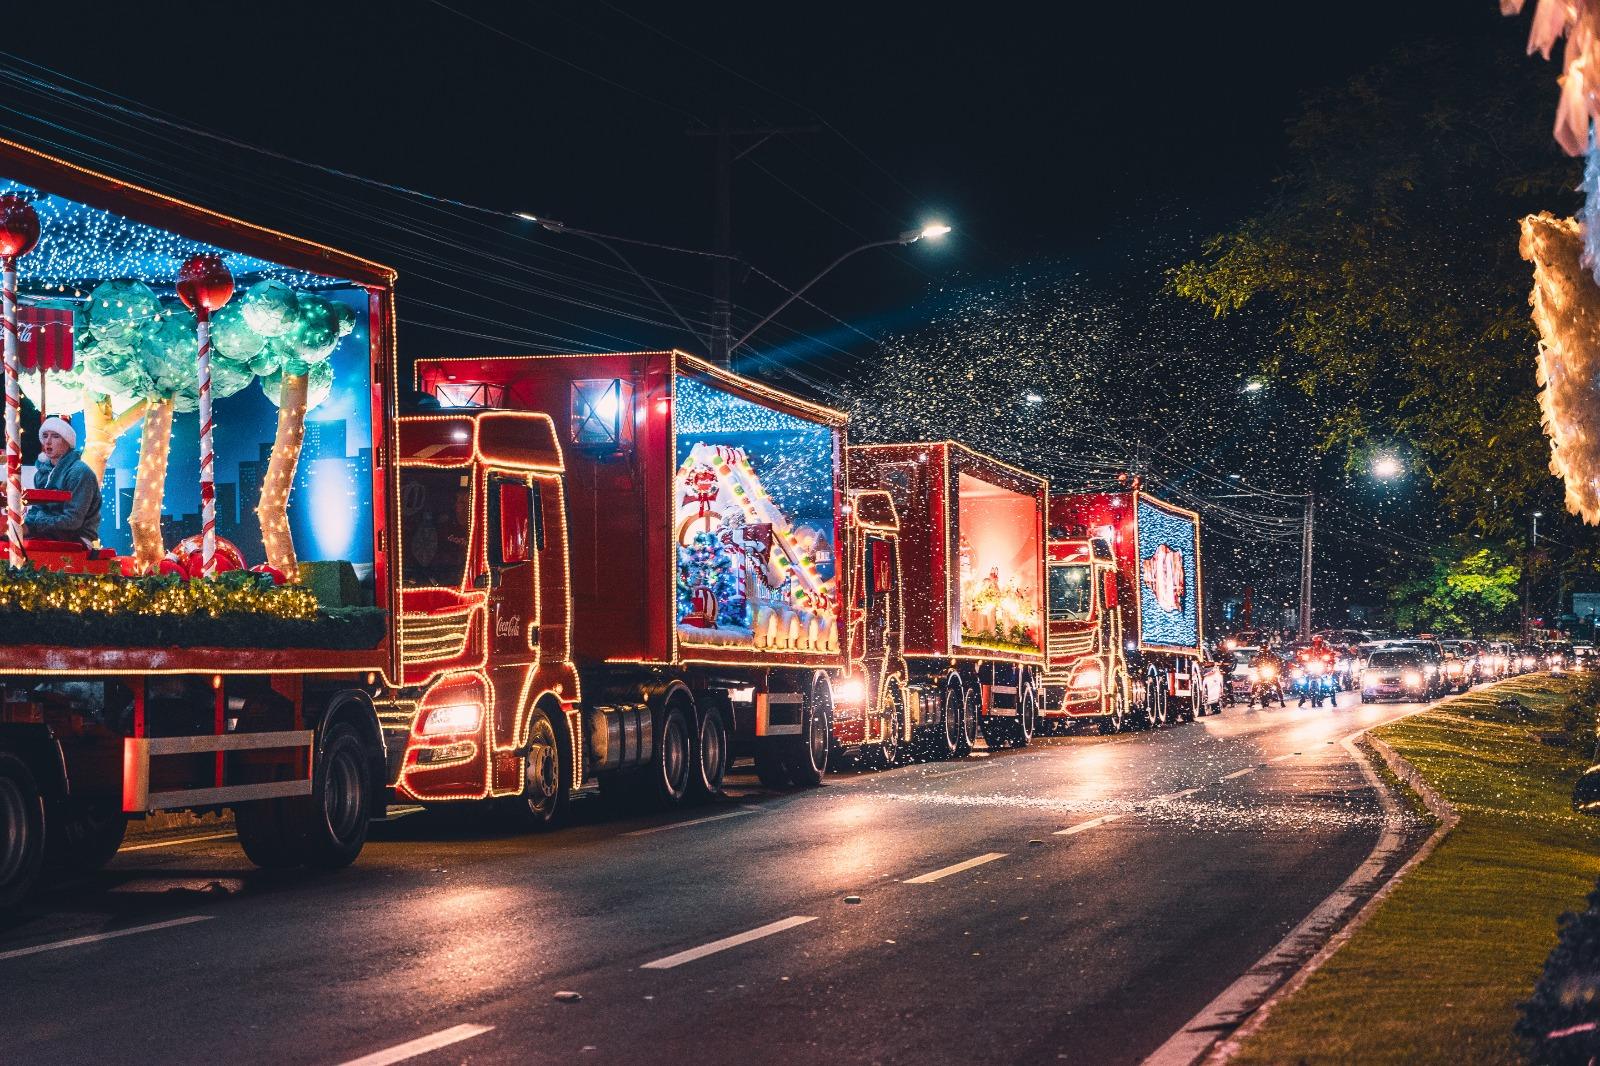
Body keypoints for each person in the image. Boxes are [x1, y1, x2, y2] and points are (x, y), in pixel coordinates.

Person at [23, 416, 100, 550]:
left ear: (67, 442)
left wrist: (34, 526)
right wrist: (24, 526)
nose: (48, 442)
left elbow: (72, 521)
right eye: (45, 436)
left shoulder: (79, 472)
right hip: (48, 532)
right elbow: (37, 508)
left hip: (76, 537)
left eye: (55, 437)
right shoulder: (42, 473)